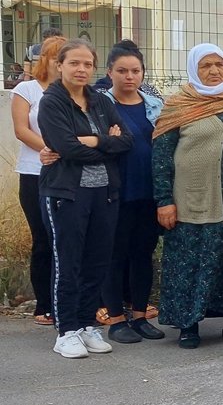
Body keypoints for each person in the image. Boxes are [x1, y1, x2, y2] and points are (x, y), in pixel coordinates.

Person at [153, 43, 223, 348]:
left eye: (219, 64)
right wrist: (164, 200)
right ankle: (188, 324)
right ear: (193, 69)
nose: (215, 71)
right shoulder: (178, 106)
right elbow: (161, 158)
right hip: (194, 200)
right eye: (206, 65)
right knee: (192, 260)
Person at [37, 39, 132, 358]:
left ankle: (87, 323)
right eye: (74, 63)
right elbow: (65, 147)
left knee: (97, 260)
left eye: (87, 64)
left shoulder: (101, 101)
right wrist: (106, 143)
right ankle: (66, 330)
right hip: (67, 194)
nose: (81, 69)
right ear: (60, 65)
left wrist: (93, 139)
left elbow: (127, 142)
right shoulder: (52, 102)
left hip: (104, 194)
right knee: (69, 261)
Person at [98, 41, 166, 343]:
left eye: (135, 71)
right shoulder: (98, 105)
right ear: (109, 72)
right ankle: (115, 318)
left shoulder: (155, 105)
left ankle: (139, 315)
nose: (129, 76)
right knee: (114, 255)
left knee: (143, 254)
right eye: (122, 71)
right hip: (113, 193)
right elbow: (94, 143)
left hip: (148, 193)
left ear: (142, 73)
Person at [11, 34, 66, 326]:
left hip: (67, 173)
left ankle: (65, 301)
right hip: (35, 174)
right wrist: (54, 147)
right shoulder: (27, 89)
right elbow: (22, 129)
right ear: (45, 59)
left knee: (65, 239)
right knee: (43, 239)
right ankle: (44, 305)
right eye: (55, 57)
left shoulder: (74, 92)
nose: (59, 64)